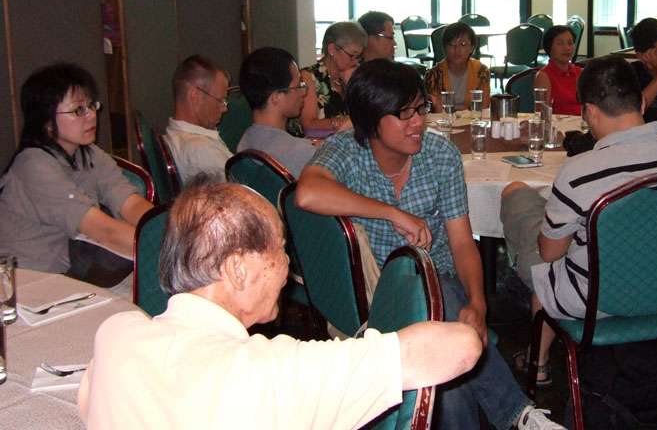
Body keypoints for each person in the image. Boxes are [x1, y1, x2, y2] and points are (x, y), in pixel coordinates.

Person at [78, 182, 483, 429]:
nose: (288, 265)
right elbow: (462, 346)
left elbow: (87, 403)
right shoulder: (277, 375)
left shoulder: (115, 335)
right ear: (237, 269)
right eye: (280, 249)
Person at [296, 59, 564, 430]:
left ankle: (518, 415)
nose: (418, 122)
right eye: (404, 114)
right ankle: (519, 414)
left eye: (420, 109)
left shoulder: (440, 155)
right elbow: (307, 193)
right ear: (370, 120)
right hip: (378, 294)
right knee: (444, 325)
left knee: (443, 325)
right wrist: (392, 213)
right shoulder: (346, 150)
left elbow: (462, 241)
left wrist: (478, 303)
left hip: (441, 282)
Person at [500, 55, 657, 386]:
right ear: (642, 102)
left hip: (595, 300)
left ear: (590, 112)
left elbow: (550, 253)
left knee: (522, 207)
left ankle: (537, 361)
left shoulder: (579, 171)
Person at [0, 64, 153, 285]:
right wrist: (164, 248)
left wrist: (168, 234)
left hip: (74, 276)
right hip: (27, 285)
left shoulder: (89, 153)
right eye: (78, 110)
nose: (91, 115)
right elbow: (103, 231)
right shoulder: (33, 166)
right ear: (46, 122)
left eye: (91, 105)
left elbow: (130, 204)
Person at [237, 47, 316, 179]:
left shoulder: (244, 143)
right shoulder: (300, 151)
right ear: (276, 97)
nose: (303, 92)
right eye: (299, 85)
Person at [164, 55, 233, 182]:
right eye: (220, 100)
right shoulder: (200, 149)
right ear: (195, 96)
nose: (224, 109)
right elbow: (248, 191)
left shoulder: (173, 136)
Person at [299, 21, 367, 134]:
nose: (356, 61)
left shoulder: (350, 75)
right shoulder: (309, 76)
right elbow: (308, 125)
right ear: (332, 49)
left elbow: (366, 115)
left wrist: (351, 86)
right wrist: (342, 122)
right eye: (352, 55)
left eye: (358, 57)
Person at [424, 22, 490, 112]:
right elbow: (437, 110)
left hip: (473, 119)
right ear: (445, 47)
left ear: (472, 47)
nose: (457, 49)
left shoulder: (481, 71)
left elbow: (484, 107)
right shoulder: (434, 75)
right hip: (444, 119)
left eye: (463, 44)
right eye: (452, 44)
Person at [532, 25, 582, 116]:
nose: (567, 48)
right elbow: (542, 115)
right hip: (557, 124)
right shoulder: (544, 76)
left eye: (570, 43)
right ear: (549, 48)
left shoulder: (580, 73)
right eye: (560, 44)